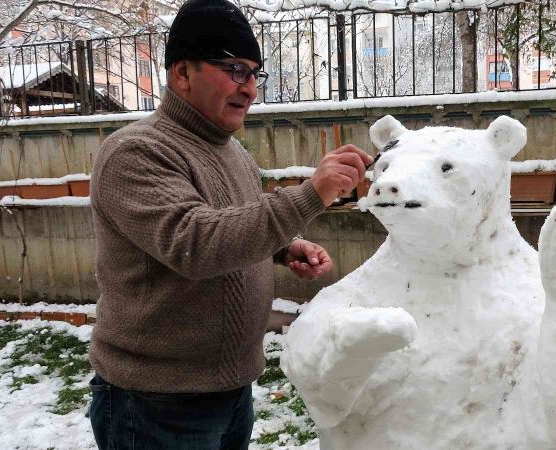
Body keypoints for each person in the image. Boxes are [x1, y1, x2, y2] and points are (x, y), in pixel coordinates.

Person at [86, 0, 372, 448]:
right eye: (236, 70)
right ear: (182, 73)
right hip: (156, 401)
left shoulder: (229, 149)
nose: (251, 88)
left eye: (256, 73)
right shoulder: (136, 152)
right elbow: (194, 242)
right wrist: (310, 195)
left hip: (231, 390)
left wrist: (283, 246)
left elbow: (232, 219)